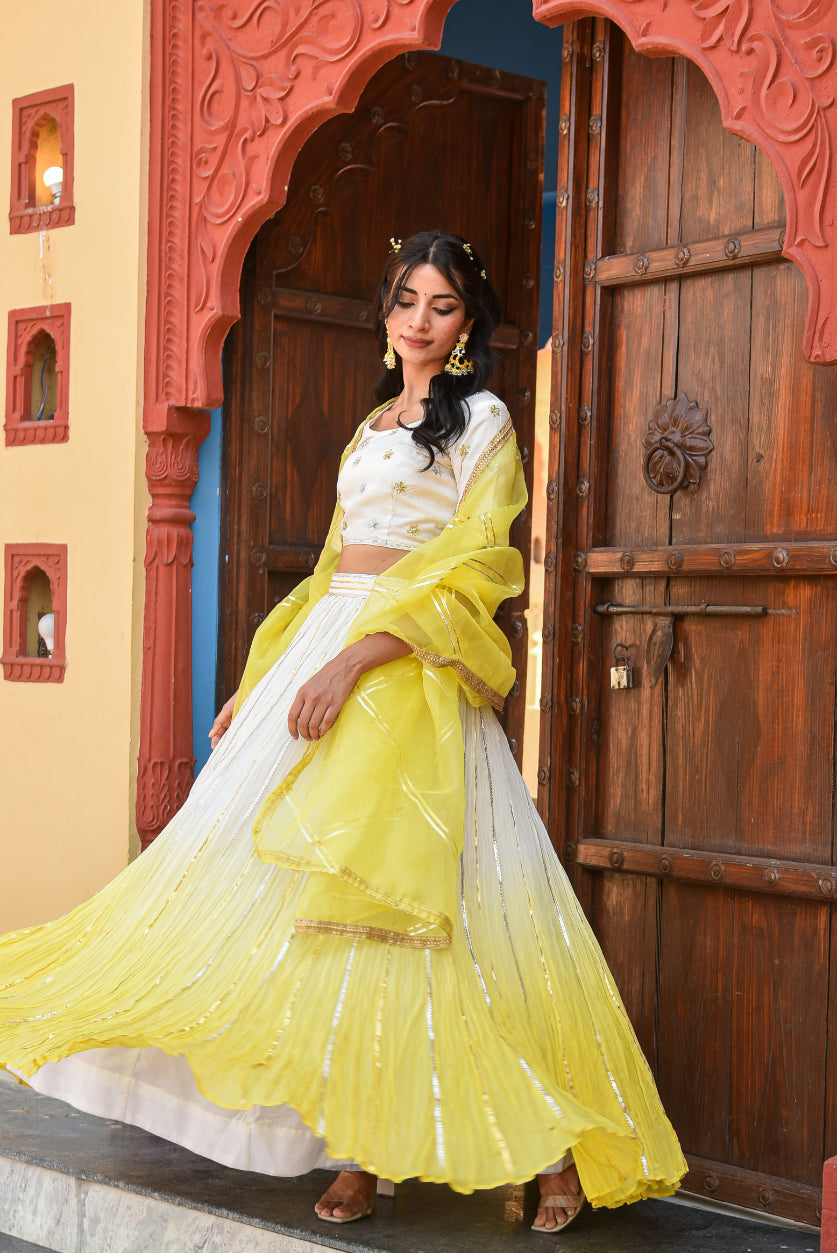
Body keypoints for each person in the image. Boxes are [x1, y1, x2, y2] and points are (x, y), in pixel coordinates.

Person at [0, 231, 686, 1233]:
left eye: (441, 305)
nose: (418, 319)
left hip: (408, 665)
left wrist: (358, 656)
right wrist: (264, 675)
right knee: (311, 911)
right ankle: (360, 1147)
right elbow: (328, 571)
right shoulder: (371, 426)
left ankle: (551, 1148)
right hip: (329, 646)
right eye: (405, 298)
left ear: (467, 326)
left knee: (454, 914)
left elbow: (482, 563)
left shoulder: (485, 419)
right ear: (386, 310)